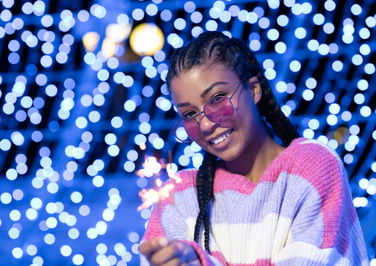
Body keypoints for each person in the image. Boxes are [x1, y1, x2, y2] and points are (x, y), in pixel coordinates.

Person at [139, 31, 369, 265]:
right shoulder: (178, 196)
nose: (206, 124)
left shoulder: (311, 167)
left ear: (253, 90)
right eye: (189, 114)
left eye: (217, 98)